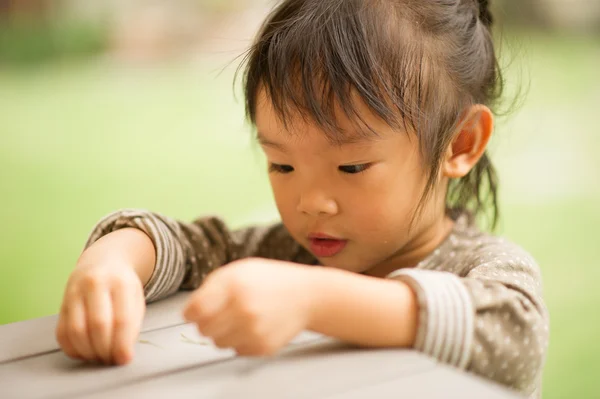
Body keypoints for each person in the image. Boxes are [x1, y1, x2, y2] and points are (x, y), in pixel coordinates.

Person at [55, 0, 549, 397]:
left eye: (351, 166)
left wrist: (311, 299)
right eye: (282, 165)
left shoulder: (485, 271)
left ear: (459, 144)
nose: (312, 202)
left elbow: (513, 335)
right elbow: (183, 245)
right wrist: (112, 263)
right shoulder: (291, 254)